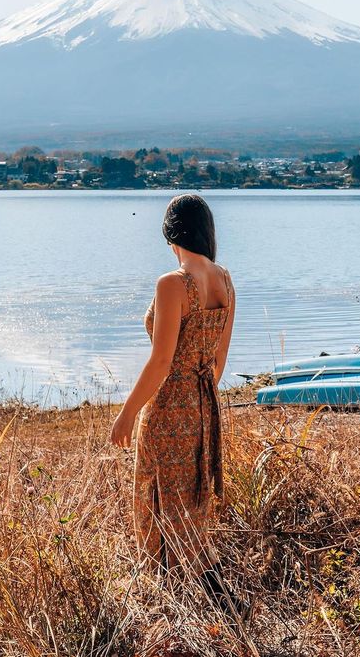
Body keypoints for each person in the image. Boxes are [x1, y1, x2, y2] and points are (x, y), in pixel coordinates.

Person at [110, 193, 243, 612]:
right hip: (205, 404)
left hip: (168, 408)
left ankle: (172, 602)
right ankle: (208, 597)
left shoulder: (172, 284)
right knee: (192, 501)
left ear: (171, 235)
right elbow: (219, 360)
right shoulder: (224, 280)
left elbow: (162, 361)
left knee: (157, 499)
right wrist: (200, 397)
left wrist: (128, 413)